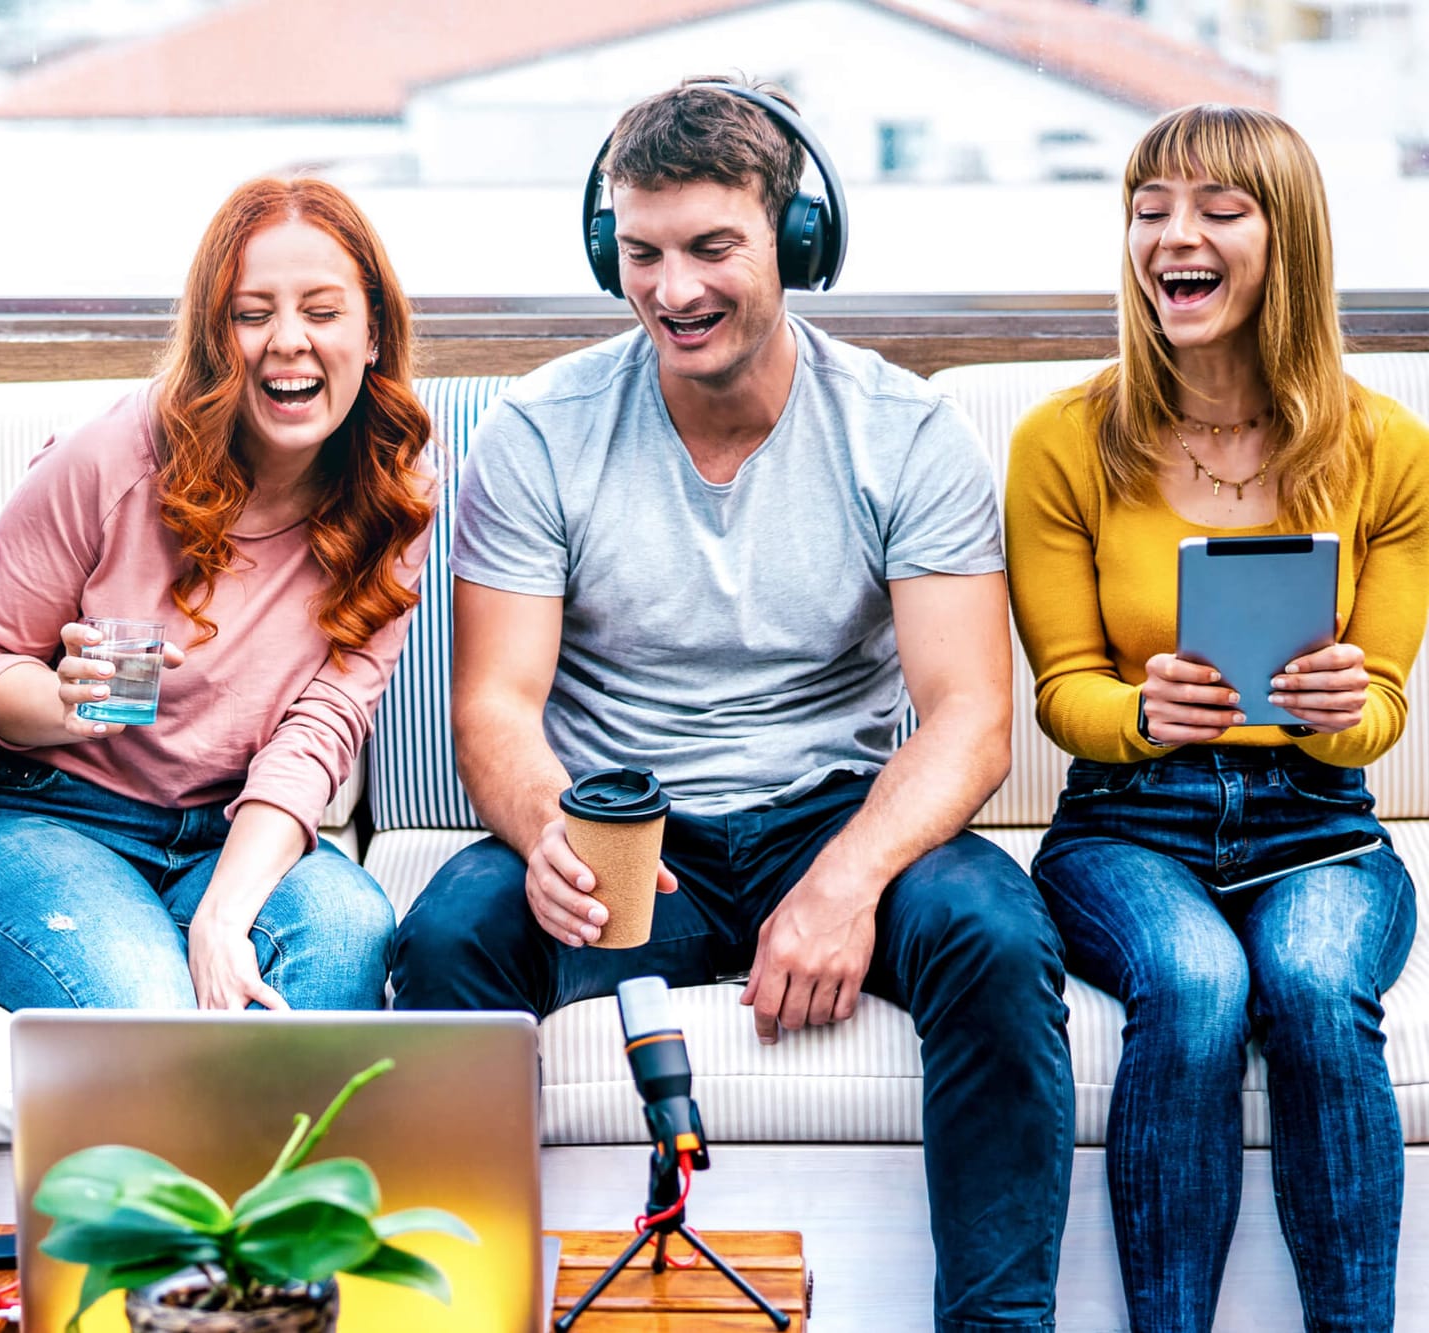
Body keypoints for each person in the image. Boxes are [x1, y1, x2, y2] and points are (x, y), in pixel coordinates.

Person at [392, 78, 1074, 1333]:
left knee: (996, 933)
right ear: (608, 251)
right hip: (622, 830)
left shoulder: (902, 432)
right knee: (446, 940)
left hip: (834, 812)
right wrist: (548, 833)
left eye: (711, 248)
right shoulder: (540, 431)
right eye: (641, 252)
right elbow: (492, 703)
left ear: (792, 242)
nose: (673, 289)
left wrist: (843, 883)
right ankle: (455, 1315)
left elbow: (971, 710)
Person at [1005, 103, 1427, 1333]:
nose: (1168, 238)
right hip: (1126, 826)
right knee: (1189, 985)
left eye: (1213, 210)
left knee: (1306, 983)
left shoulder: (1383, 450)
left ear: (1282, 237)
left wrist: (1335, 706)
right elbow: (1061, 693)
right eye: (1146, 213)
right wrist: (1142, 711)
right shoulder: (1062, 442)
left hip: (1318, 825)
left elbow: (1382, 712)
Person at [0, 177, 433, 1013]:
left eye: (322, 310)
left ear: (373, 330)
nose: (288, 342)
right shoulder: (110, 460)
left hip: (228, 828)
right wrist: (63, 704)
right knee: (148, 1007)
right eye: (251, 313)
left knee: (346, 932)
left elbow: (325, 722)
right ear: (213, 334)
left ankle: (271, 1150)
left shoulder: (396, 487)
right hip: (45, 814)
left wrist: (222, 915)